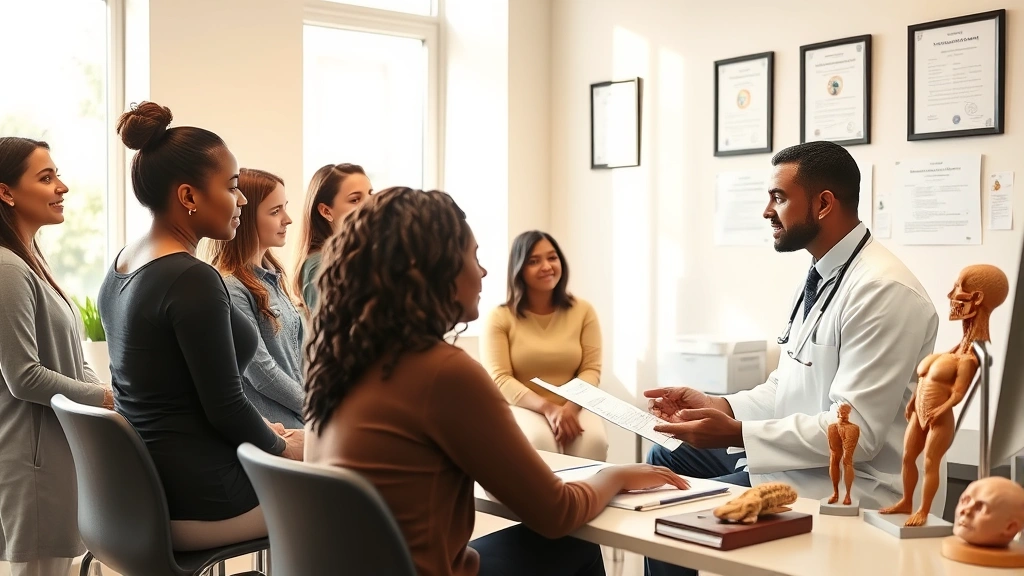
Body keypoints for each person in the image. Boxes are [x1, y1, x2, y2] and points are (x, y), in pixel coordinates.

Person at [303, 187, 687, 576]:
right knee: (573, 544)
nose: (483, 271)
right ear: (435, 268)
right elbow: (556, 513)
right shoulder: (442, 371)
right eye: (473, 256)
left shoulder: (339, 362)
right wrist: (615, 475)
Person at [643, 141, 939, 576]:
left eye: (778, 198)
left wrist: (738, 433)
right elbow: (787, 386)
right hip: (800, 458)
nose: (766, 211)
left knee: (667, 519)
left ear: (823, 204)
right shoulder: (824, 274)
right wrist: (719, 406)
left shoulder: (882, 291)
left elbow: (854, 431)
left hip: (848, 483)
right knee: (664, 458)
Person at [98, 102, 304, 552]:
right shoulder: (191, 278)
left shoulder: (120, 266)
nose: (242, 201)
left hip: (146, 494)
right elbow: (225, 407)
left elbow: (174, 398)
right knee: (353, 487)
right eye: (233, 187)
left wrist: (272, 430)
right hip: (203, 499)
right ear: (189, 197)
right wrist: (286, 449)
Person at [0, 137, 114, 576]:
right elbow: (23, 376)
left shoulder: (30, 261)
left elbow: (71, 356)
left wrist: (104, 396)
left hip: (55, 457)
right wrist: (104, 399)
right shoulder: (8, 269)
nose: (62, 187)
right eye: (46, 178)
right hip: (32, 464)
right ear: (6, 192)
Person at [481, 230, 608, 461]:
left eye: (552, 257)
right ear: (519, 268)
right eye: (534, 261)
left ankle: (590, 499)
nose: (547, 266)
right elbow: (500, 378)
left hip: (575, 405)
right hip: (524, 405)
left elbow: (591, 370)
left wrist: (570, 408)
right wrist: (549, 409)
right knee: (540, 444)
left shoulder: (583, 310)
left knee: (595, 443)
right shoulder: (500, 317)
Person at [201, 168, 304, 429]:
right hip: (279, 429)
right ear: (245, 218)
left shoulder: (274, 279)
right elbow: (260, 373)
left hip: (300, 417)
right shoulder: (231, 287)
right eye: (275, 211)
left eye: (285, 208)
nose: (288, 219)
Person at [292, 163, 372, 312]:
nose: (370, 204)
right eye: (355, 200)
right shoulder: (319, 265)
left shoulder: (358, 255)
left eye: (371, 194)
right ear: (326, 211)